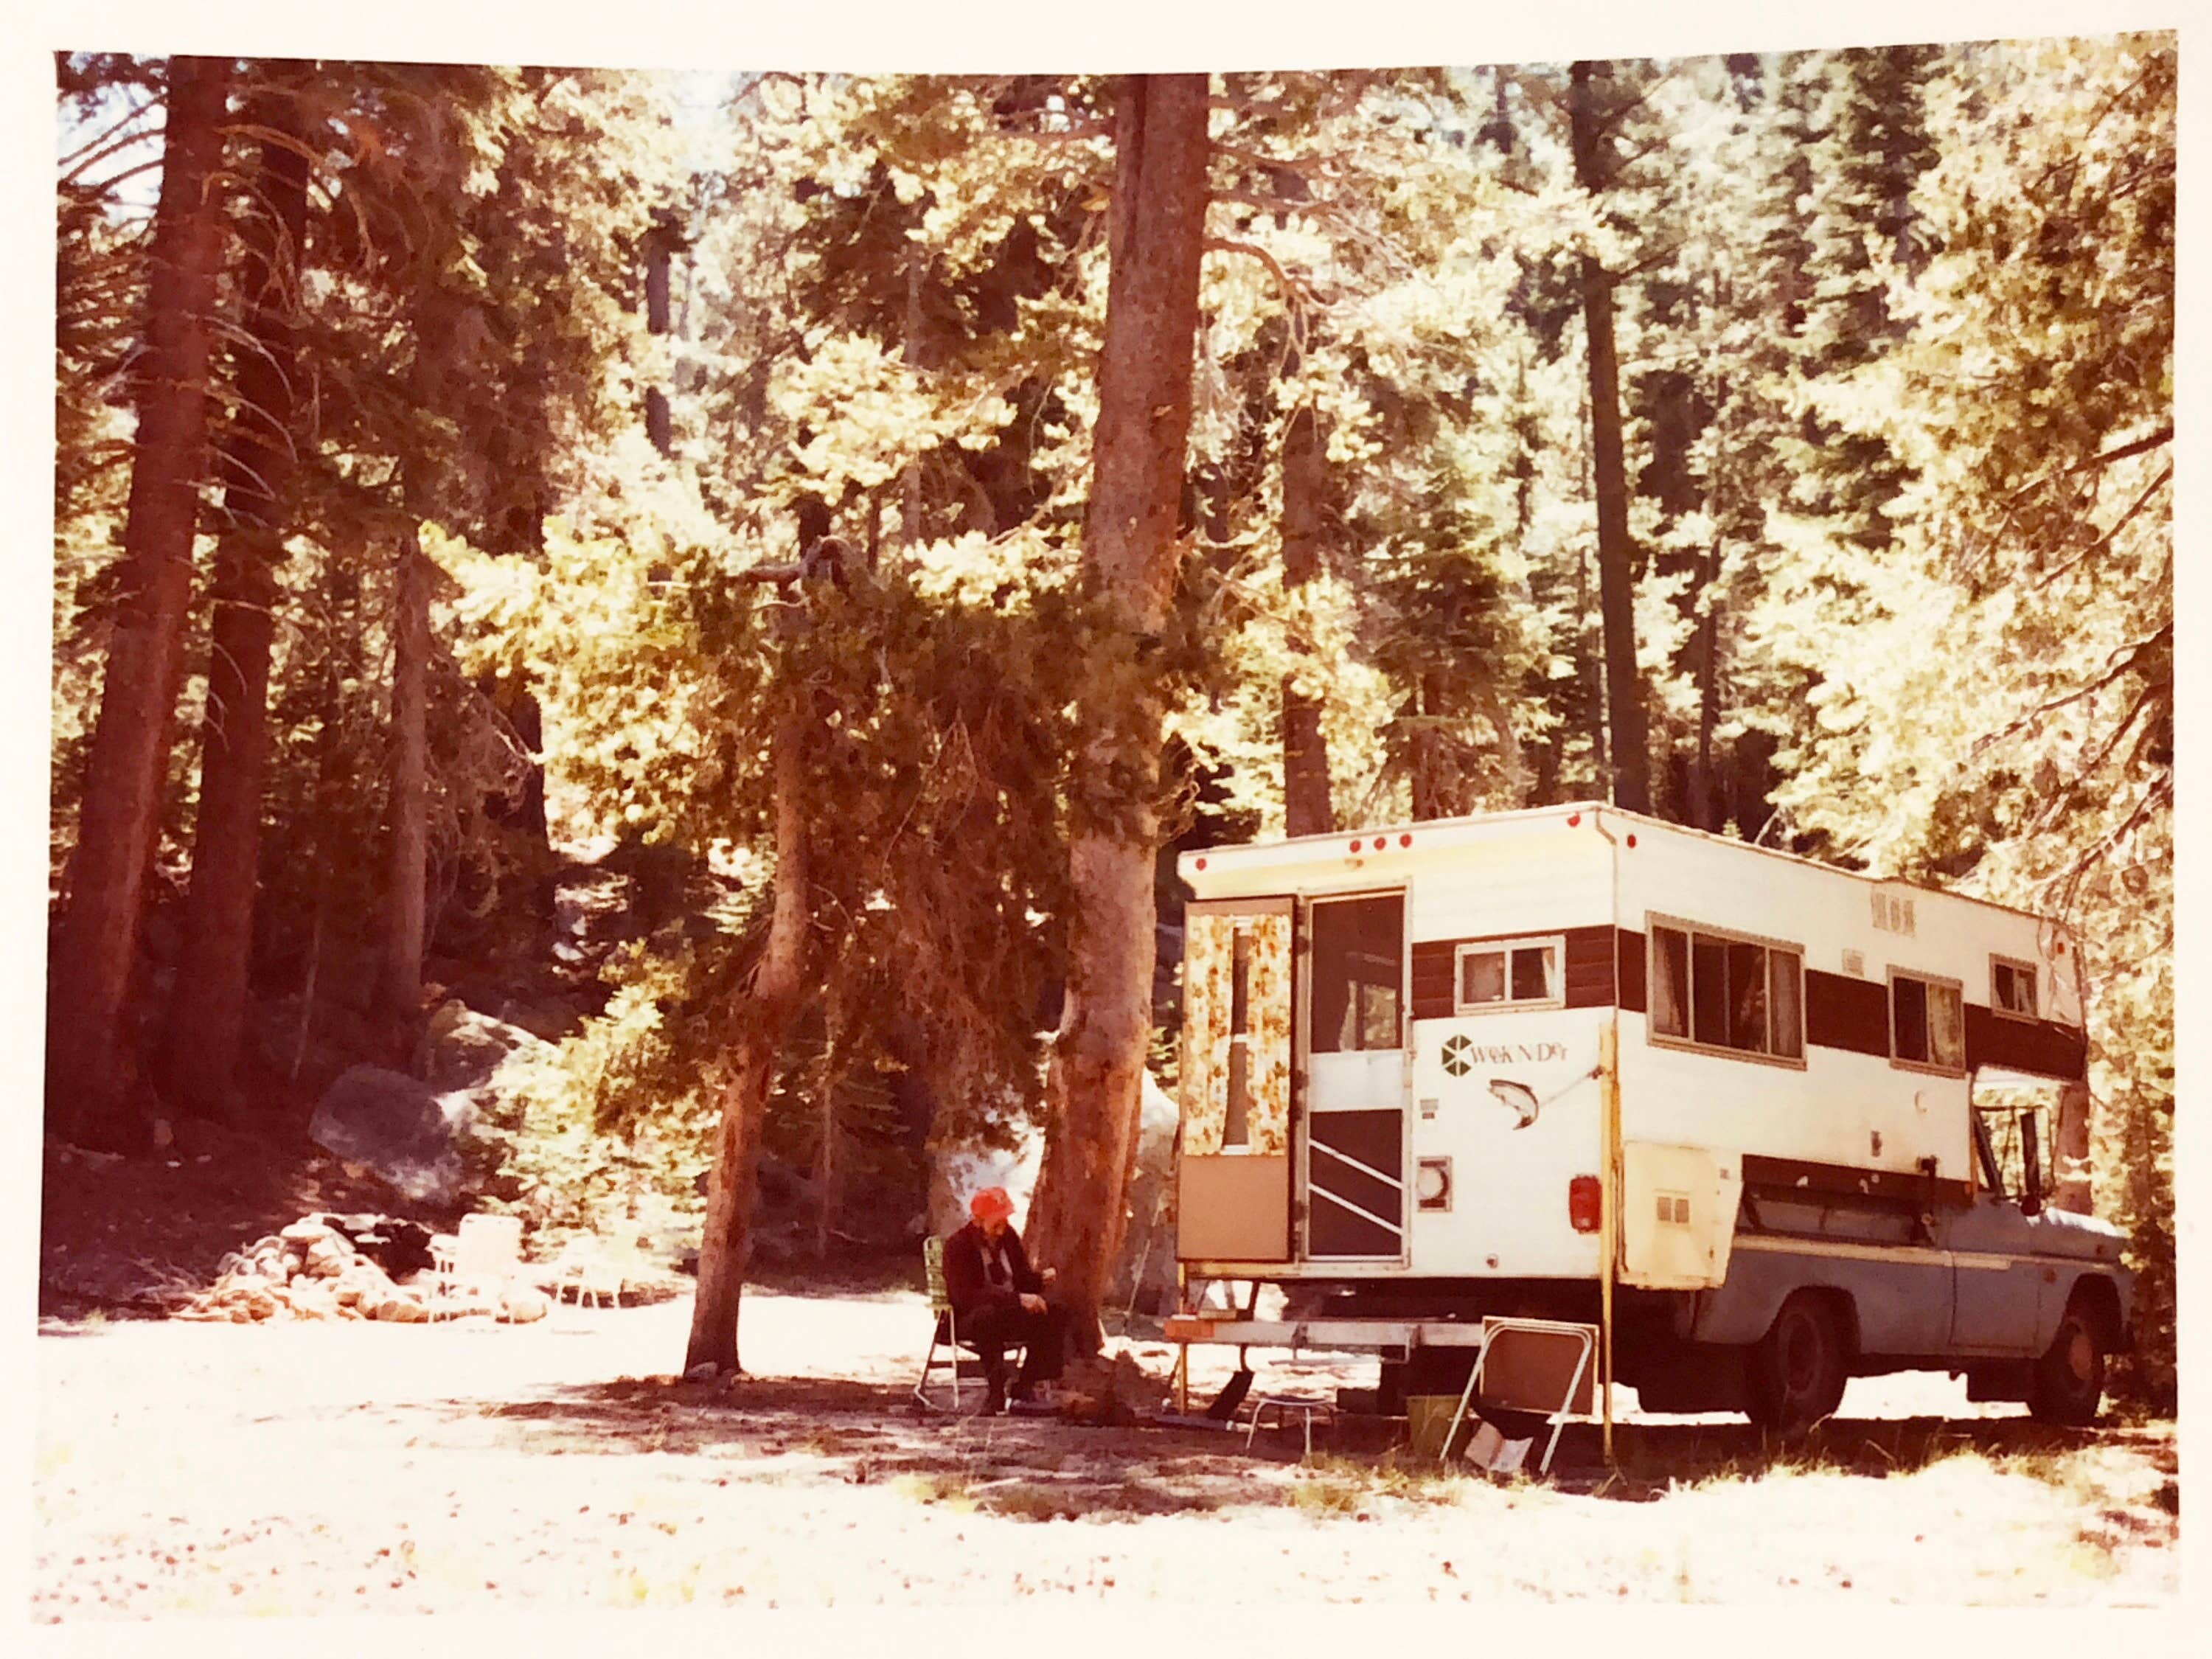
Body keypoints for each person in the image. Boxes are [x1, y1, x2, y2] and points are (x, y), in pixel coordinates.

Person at [942, 1186, 1068, 1412]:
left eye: (1005, 1221)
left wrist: (1040, 1280)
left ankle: (1026, 1388)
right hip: (971, 1317)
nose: (1001, 1230)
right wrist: (1016, 1299)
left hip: (1010, 1311)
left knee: (1055, 1312)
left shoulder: (1009, 1238)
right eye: (995, 1224)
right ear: (978, 1221)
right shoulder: (957, 1246)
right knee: (988, 1317)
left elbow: (1022, 1279)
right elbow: (965, 1296)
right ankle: (995, 1391)